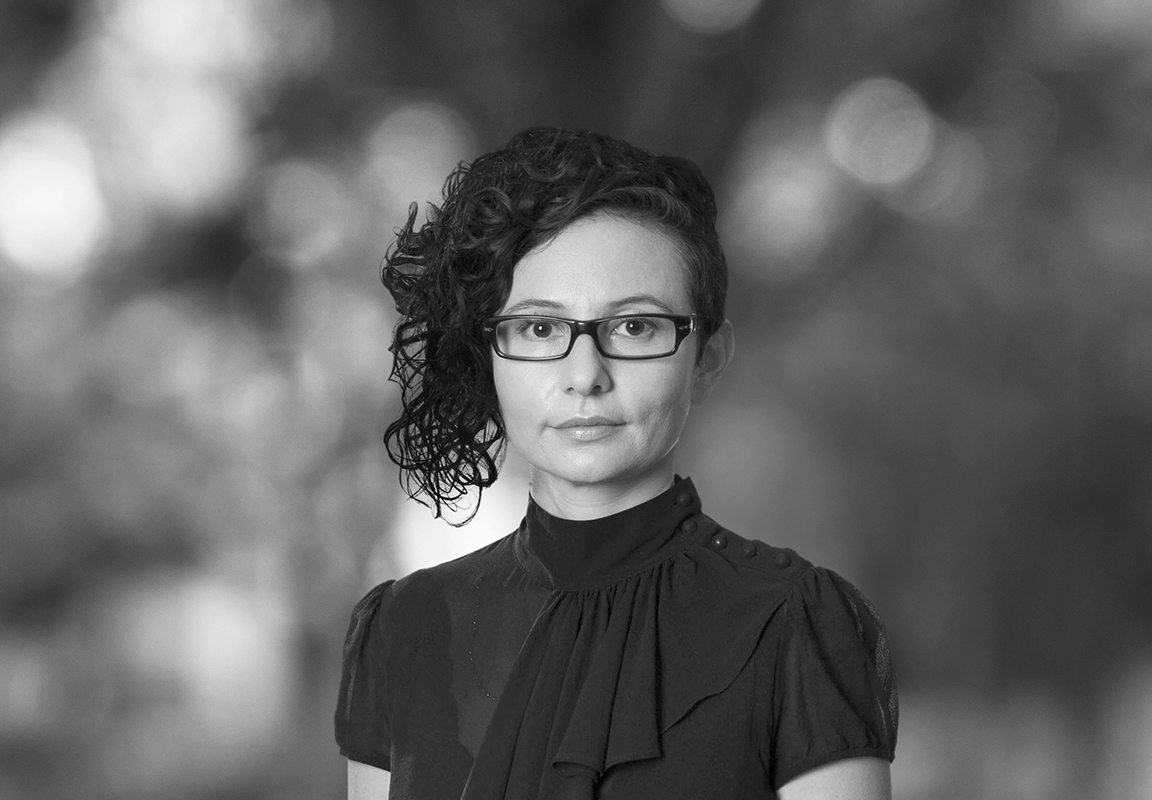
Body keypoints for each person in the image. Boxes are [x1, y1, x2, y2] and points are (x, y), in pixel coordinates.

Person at [335, 127, 897, 799]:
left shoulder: (798, 624)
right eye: (540, 328)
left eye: (634, 327)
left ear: (707, 358)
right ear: (490, 354)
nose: (585, 375)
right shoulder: (403, 628)